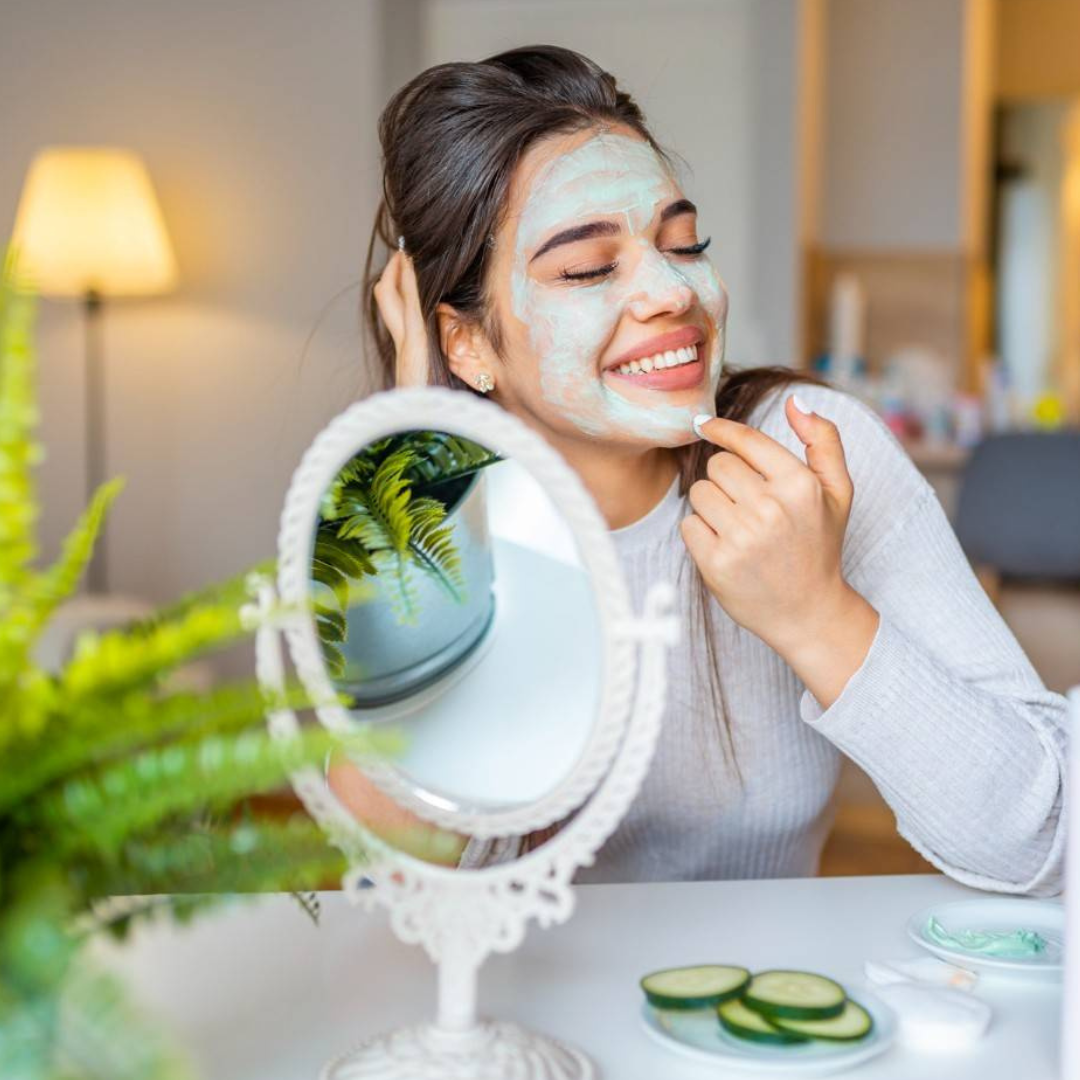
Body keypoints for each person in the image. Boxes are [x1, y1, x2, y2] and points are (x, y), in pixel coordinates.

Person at [333, 44, 1066, 894]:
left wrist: (816, 612)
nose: (670, 292)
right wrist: (414, 450)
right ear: (465, 340)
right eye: (588, 268)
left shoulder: (811, 451)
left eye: (683, 244)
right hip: (504, 1016)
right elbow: (389, 884)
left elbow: (1045, 842)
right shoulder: (397, 510)